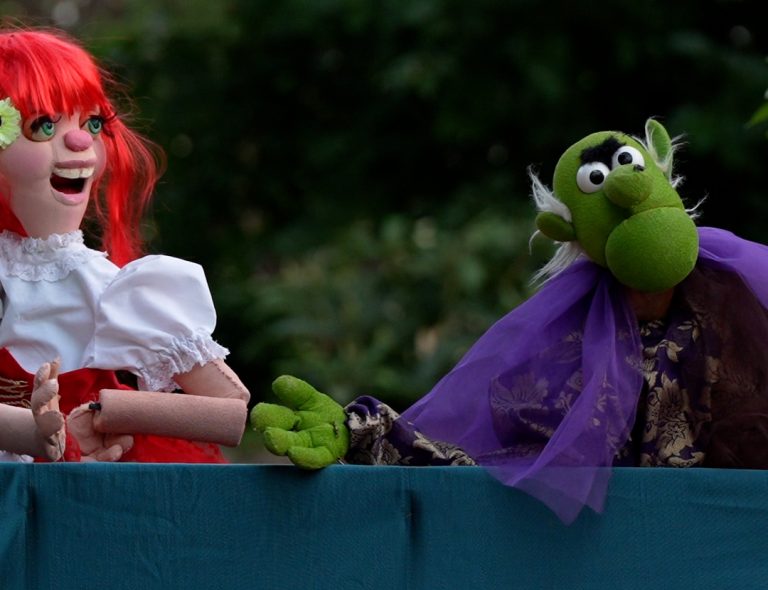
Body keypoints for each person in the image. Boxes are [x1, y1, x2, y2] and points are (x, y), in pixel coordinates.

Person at [253, 118, 768, 523]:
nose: (625, 190)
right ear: (567, 231)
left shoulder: (741, 296)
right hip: (632, 563)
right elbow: (487, 451)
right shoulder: (568, 340)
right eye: (599, 181)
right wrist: (359, 433)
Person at [0, 27, 249, 463]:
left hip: (91, 489)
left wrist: (107, 414)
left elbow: (228, 408)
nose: (80, 142)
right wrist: (32, 433)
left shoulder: (116, 289)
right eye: (44, 125)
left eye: (92, 123)